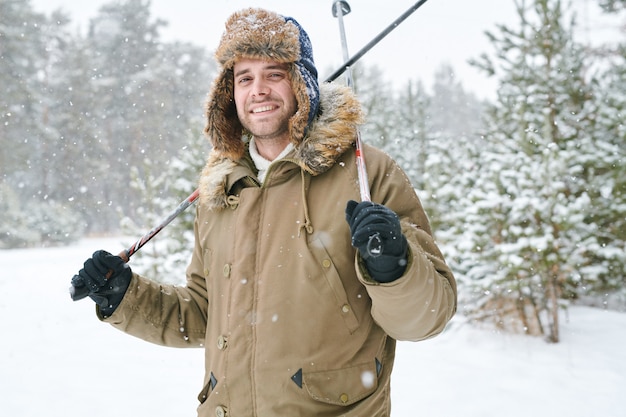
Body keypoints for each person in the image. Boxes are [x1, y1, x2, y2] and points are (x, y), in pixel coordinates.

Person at [70, 7, 457, 417]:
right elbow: (204, 314)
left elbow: (425, 320)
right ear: (230, 93)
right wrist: (125, 297)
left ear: (302, 84)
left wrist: (395, 267)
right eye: (245, 78)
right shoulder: (221, 191)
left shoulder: (367, 173)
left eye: (275, 74)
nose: (259, 90)